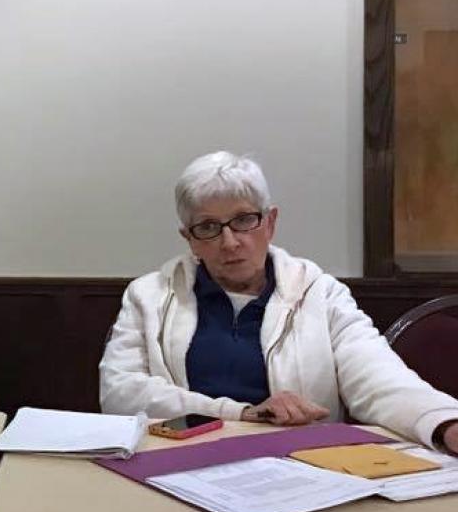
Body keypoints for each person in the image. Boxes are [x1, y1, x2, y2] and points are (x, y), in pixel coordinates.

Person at [99, 151, 458, 452]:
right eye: (208, 227)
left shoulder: (319, 292)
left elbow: (379, 379)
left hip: (299, 464)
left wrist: (445, 423)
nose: (229, 242)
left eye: (243, 220)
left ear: (269, 222)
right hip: (179, 460)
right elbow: (121, 394)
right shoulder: (150, 295)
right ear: (189, 239)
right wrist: (246, 413)